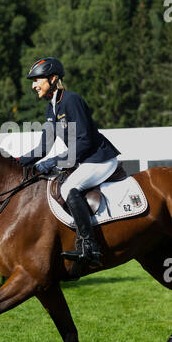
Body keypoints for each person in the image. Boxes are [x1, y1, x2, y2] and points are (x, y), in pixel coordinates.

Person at [18, 57, 120, 267]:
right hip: (85, 160)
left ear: (53, 78)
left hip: (100, 158)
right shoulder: (51, 109)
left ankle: (89, 247)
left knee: (68, 188)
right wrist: (17, 162)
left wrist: (55, 162)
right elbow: (43, 148)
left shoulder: (71, 100)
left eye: (37, 80)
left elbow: (84, 141)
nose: (33, 85)